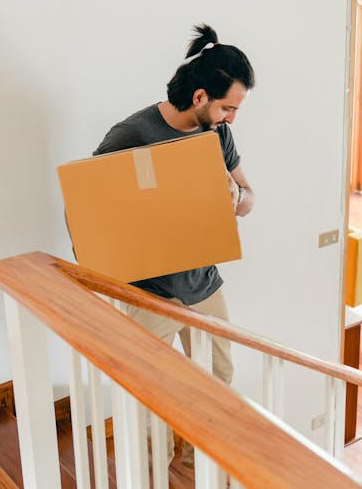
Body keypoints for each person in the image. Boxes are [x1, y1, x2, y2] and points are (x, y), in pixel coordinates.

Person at [94, 23, 255, 467]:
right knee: (152, 390)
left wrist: (235, 196)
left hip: (204, 282)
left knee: (219, 377)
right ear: (200, 96)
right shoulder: (133, 135)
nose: (232, 118)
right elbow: (94, 206)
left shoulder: (217, 133)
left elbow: (248, 198)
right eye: (228, 107)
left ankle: (201, 467)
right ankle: (156, 473)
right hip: (151, 291)